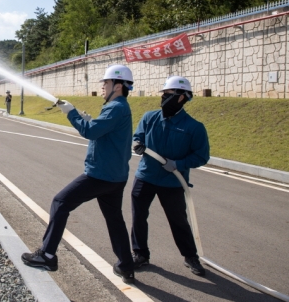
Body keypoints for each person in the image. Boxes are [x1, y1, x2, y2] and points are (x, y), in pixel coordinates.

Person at [21, 64, 137, 284]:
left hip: (100, 175)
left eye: (106, 82)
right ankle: (126, 266)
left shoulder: (116, 107)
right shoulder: (119, 107)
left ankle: (47, 255)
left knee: (60, 202)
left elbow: (90, 132)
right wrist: (89, 119)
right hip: (115, 176)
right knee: (114, 220)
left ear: (118, 85)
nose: (102, 86)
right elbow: (100, 130)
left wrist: (72, 114)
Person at [131, 76, 210, 276]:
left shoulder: (194, 127)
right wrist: (138, 143)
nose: (164, 98)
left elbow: (201, 156)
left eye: (168, 95)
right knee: (139, 216)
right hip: (145, 177)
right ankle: (140, 254)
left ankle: (190, 256)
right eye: (164, 94)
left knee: (178, 220)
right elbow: (138, 135)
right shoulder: (150, 117)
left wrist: (178, 165)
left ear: (182, 98)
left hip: (173, 181)